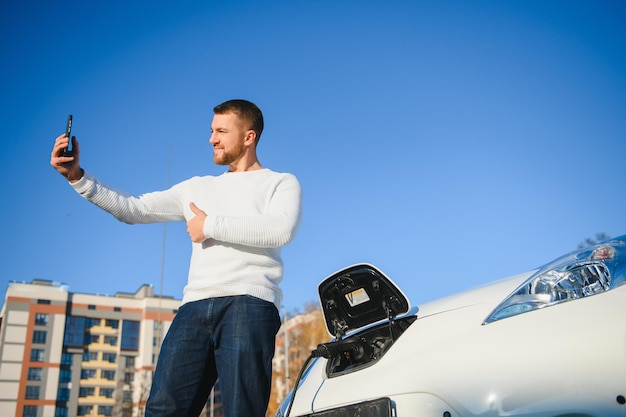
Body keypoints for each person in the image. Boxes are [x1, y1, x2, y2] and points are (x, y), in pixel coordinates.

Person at [50, 99, 303, 417]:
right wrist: (78, 178)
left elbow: (280, 230)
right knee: (161, 410)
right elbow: (135, 209)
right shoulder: (196, 187)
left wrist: (208, 225)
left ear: (249, 136)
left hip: (249, 304)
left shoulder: (280, 182)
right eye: (211, 130)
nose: (212, 138)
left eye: (222, 131)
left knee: (242, 411)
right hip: (193, 309)